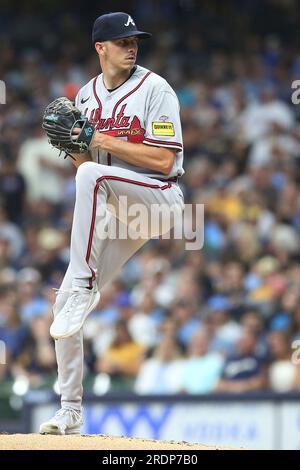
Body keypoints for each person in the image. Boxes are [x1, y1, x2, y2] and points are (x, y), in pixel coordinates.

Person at [39, 11, 184, 435]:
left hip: (159, 200)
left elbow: (164, 159)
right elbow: (87, 165)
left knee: (92, 176)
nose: (132, 46)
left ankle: (86, 284)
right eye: (122, 41)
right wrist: (74, 147)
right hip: (116, 207)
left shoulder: (156, 89)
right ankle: (69, 409)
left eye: (135, 40)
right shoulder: (85, 96)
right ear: (100, 48)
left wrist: (96, 141)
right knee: (62, 308)